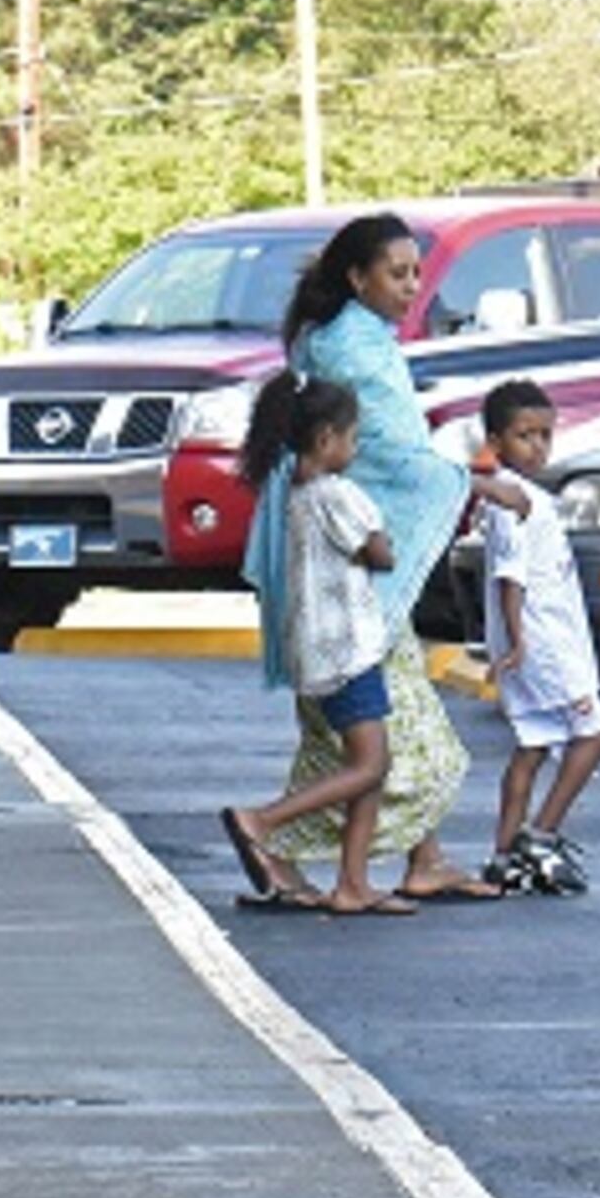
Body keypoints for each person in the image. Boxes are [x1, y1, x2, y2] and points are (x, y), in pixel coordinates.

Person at [233, 213, 534, 905]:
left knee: (362, 725)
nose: (410, 287)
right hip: (348, 576)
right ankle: (273, 837)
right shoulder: (353, 350)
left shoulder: (340, 338)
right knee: (400, 745)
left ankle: (409, 862)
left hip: (319, 566)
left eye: (415, 273)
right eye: (396, 274)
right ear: (356, 276)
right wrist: (477, 482)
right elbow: (396, 456)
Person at [218, 377, 411, 915]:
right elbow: (381, 555)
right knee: (371, 765)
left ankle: (353, 883)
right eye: (353, 438)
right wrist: (386, 527)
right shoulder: (337, 494)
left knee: (369, 763)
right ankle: (263, 820)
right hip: (348, 650)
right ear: (327, 439)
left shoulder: (295, 493)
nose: (355, 450)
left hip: (321, 649)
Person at [475, 379, 600, 895]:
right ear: (495, 441)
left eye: (544, 436)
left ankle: (503, 852)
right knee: (594, 732)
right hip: (543, 641)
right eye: (523, 436)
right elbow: (510, 577)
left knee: (531, 746)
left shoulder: (517, 498)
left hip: (546, 638)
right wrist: (516, 641)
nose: (536, 447)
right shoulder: (516, 502)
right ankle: (542, 833)